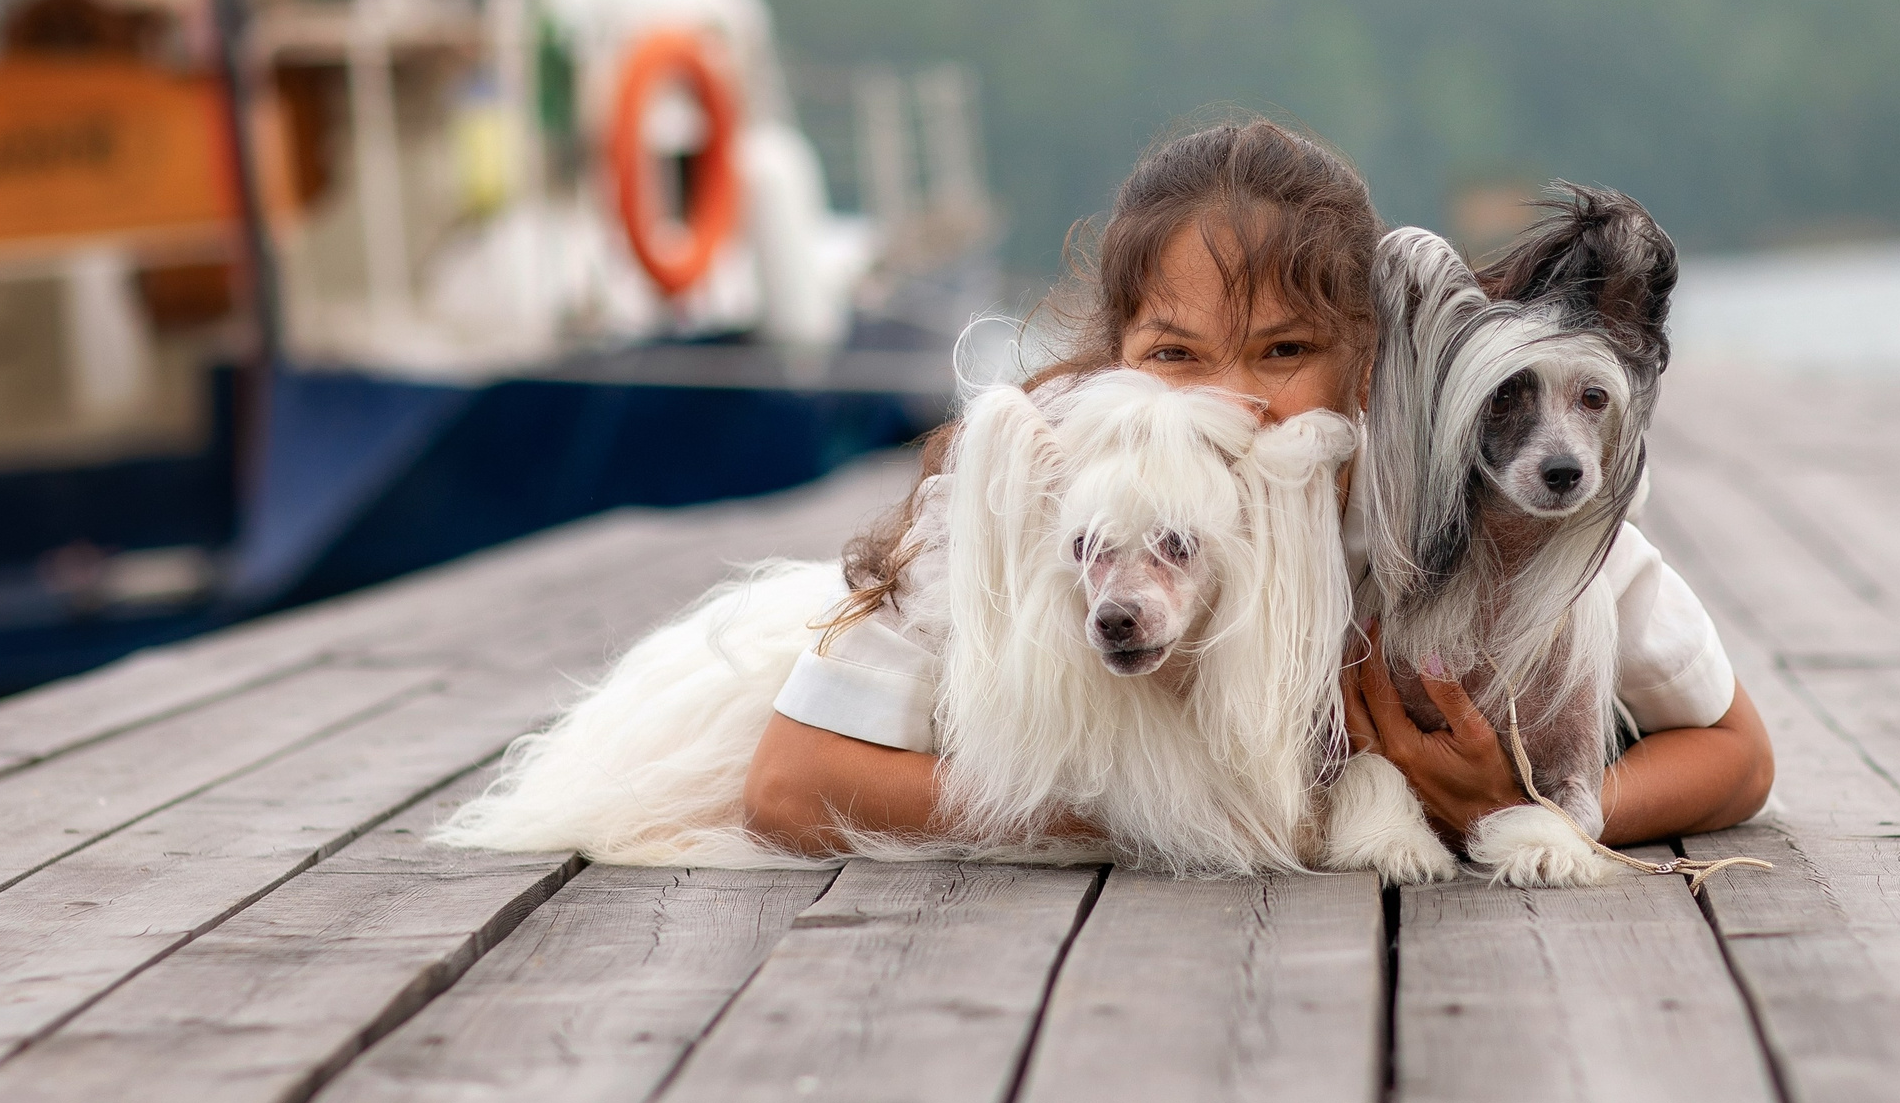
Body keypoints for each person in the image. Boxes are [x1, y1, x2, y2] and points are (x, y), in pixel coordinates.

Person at [745, 118, 1774, 858]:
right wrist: (1130, 812)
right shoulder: (1042, 498)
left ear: (1371, 364)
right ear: (1114, 357)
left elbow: (1735, 753)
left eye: (1284, 350)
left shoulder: (1455, 513)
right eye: (1176, 354)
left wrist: (1527, 805)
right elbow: (792, 784)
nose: (1234, 403)